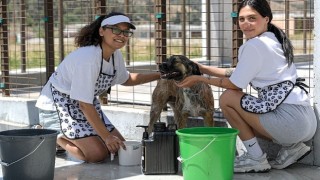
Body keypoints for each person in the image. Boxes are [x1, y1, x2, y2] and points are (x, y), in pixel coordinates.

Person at [176, 0, 317, 173]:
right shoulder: (273, 39)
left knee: (228, 98)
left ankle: (256, 158)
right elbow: (239, 72)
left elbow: (234, 83)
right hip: (307, 122)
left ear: (266, 19)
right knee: (246, 105)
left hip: (289, 121)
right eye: (241, 19)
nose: (245, 24)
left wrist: (200, 79)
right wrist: (203, 69)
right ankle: (292, 147)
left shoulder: (254, 45)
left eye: (252, 18)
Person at [35, 12, 160, 163]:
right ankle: (51, 133)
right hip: (58, 105)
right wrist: (106, 137)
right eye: (115, 29)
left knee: (121, 147)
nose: (122, 35)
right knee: (97, 155)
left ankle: (72, 137)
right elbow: (84, 104)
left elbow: (126, 79)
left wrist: (159, 75)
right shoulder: (88, 58)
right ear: (101, 31)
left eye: (126, 31)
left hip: (85, 104)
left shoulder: (115, 55)